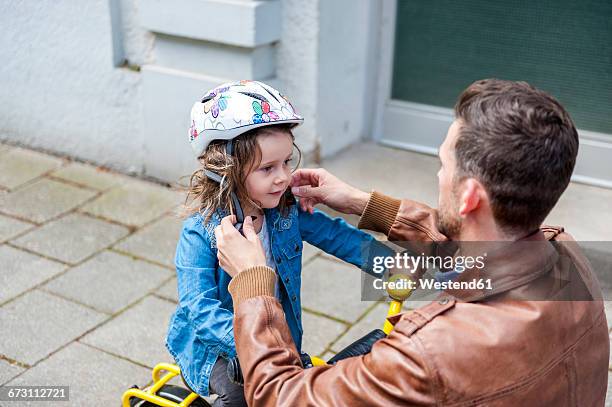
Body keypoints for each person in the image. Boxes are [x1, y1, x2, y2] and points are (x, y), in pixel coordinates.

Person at [214, 79, 610, 405]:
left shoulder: (427, 353)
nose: (440, 177)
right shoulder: (568, 256)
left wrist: (253, 286)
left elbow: (280, 397)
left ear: (470, 196)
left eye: (443, 165)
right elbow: (476, 248)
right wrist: (362, 203)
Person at [165, 80, 382, 406]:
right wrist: (258, 345)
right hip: (215, 351)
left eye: (285, 163)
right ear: (228, 173)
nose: (283, 177)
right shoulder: (201, 233)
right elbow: (200, 311)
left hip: (273, 339)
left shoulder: (285, 213)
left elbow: (340, 236)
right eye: (267, 168)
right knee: (243, 395)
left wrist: (394, 265)